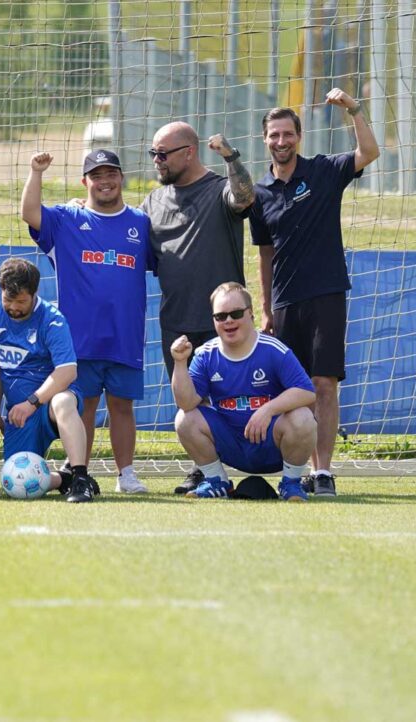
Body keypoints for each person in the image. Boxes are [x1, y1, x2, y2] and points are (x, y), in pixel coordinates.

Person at [249, 89, 380, 496]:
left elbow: (370, 152)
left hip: (326, 294)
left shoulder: (323, 171)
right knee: (295, 387)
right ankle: (294, 471)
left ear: (299, 136)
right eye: (274, 135)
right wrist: (267, 308)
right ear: (265, 140)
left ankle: (322, 472)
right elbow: (265, 254)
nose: (281, 141)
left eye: (288, 133)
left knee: (324, 383)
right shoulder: (259, 193)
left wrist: (353, 110)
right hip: (285, 303)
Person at [22, 150, 155, 494]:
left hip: (125, 335)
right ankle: (76, 466)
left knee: (122, 407)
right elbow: (29, 213)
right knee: (85, 404)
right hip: (80, 339)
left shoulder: (141, 223)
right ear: (85, 182)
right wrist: (36, 173)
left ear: (122, 177)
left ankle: (126, 473)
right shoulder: (67, 218)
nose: (105, 181)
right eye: (96, 175)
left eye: (111, 173)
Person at [141, 121, 256, 494]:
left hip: (223, 323)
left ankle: (257, 464)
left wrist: (231, 158)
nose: (156, 161)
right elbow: (124, 233)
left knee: (229, 403)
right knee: (189, 404)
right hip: (177, 321)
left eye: (163, 154)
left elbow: (244, 197)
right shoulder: (153, 201)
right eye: (153, 154)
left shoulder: (218, 189)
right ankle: (205, 470)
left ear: (189, 152)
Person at [170, 282, 318, 501]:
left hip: (272, 445)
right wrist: (180, 363)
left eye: (236, 313)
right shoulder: (205, 354)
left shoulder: (273, 349)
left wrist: (268, 410)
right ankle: (216, 481)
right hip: (231, 446)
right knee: (185, 418)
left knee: (304, 417)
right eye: (221, 316)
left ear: (251, 315)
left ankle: (291, 484)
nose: (228, 320)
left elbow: (307, 392)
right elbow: (186, 403)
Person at [0, 258, 98, 502]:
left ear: (34, 294)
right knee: (17, 482)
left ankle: (80, 477)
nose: (13, 307)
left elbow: (67, 372)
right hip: (19, 415)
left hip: (46, 405)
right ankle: (63, 479)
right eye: (7, 300)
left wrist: (32, 402)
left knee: (63, 402)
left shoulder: (52, 320)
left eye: (21, 301)